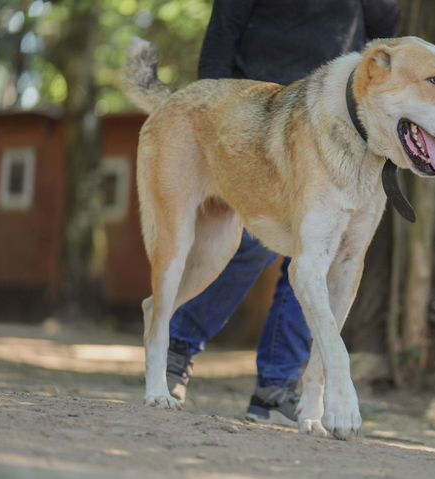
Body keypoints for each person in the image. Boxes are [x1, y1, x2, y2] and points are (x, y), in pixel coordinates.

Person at [165, 0, 400, 427]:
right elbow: (224, 28)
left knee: (320, 256)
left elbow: (384, 27)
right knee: (253, 245)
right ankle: (178, 347)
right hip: (255, 111)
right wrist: (212, 110)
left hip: (329, 112)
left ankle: (277, 387)